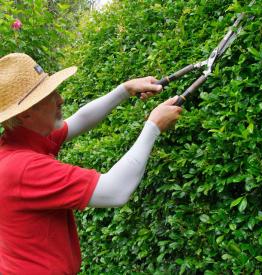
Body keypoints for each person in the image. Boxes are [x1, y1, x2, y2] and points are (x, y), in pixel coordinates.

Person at [0, 53, 182, 274]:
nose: (60, 99)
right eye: (50, 96)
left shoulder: (21, 141)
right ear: (27, 113)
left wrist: (125, 89)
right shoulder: (23, 168)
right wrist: (153, 126)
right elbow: (115, 191)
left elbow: (79, 120)